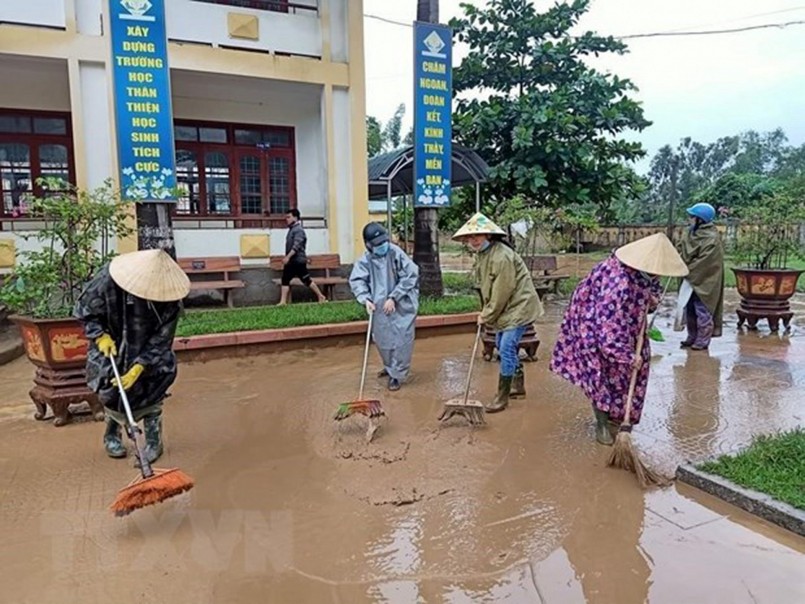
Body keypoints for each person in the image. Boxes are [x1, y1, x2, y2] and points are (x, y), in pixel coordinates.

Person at [550, 233, 689, 445]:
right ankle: (602, 423)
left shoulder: (645, 274)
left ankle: (619, 415)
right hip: (592, 326)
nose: (657, 275)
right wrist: (626, 355)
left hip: (627, 327)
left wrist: (651, 301)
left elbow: (649, 298)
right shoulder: (617, 281)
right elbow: (607, 331)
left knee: (635, 367)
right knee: (603, 372)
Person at [74, 249, 189, 463]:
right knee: (112, 388)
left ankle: (154, 441)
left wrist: (139, 367)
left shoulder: (170, 297)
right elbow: (85, 310)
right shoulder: (107, 279)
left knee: (152, 387)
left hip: (147, 349)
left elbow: (162, 339)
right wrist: (100, 336)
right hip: (113, 343)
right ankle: (112, 435)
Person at [452, 213, 543, 413]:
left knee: (507, 347)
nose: (474, 240)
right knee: (504, 347)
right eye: (470, 237)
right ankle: (517, 386)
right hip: (507, 308)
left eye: (478, 236)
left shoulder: (501, 257)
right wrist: (487, 311)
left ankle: (502, 397)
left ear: (489, 236)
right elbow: (488, 287)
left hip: (519, 306)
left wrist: (486, 315)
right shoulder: (484, 254)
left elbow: (502, 291)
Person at [349, 222, 419, 391]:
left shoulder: (396, 253)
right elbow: (357, 280)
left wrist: (394, 297)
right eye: (377, 244)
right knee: (383, 339)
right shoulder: (365, 260)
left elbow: (411, 275)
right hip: (379, 306)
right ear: (368, 245)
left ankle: (397, 375)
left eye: (384, 242)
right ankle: (390, 367)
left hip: (402, 302)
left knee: (402, 339)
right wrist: (365, 299)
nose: (382, 246)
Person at [677, 202, 725, 350]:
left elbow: (706, 262)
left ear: (700, 219)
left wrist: (687, 269)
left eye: (692, 216)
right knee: (689, 307)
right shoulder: (689, 232)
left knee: (702, 309)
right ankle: (691, 336)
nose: (689, 219)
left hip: (704, 279)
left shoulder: (711, 238)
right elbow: (680, 248)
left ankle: (703, 340)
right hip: (688, 278)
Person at [279, 209, 327, 305]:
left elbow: (296, 246)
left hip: (298, 261)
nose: (286, 219)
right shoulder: (292, 230)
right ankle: (283, 301)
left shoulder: (299, 230)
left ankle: (321, 296)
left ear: (295, 218)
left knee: (306, 280)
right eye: (286, 217)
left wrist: (288, 257)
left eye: (289, 217)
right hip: (292, 262)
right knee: (285, 279)